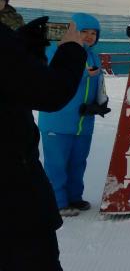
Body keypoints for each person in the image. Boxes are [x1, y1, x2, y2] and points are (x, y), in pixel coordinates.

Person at [1, 0, 88, 271]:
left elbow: (14, 82)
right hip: (11, 194)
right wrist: (70, 50)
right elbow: (48, 93)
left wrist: (24, 49)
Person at [39, 13, 111, 217]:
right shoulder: (56, 50)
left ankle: (74, 197)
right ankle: (57, 201)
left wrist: (101, 103)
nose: (89, 36)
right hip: (58, 121)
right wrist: (85, 74)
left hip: (83, 122)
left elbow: (99, 83)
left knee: (78, 162)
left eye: (93, 33)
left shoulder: (93, 55)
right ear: (73, 32)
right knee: (56, 164)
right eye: (84, 32)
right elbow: (54, 78)